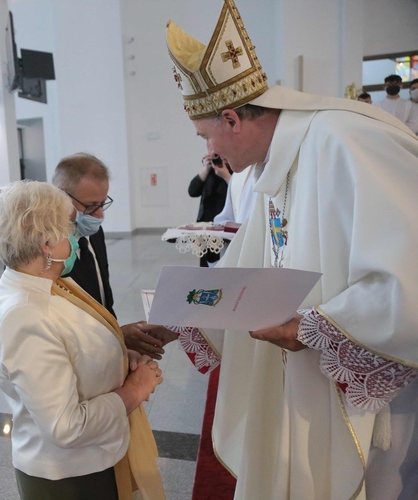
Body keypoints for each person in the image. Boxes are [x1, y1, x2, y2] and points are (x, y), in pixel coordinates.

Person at [166, 1, 418, 498]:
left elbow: (408, 276)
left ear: (233, 118)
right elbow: (253, 262)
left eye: (205, 136)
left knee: (384, 481)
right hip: (312, 372)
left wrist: (310, 326)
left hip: (381, 383)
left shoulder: (344, 141)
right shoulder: (275, 163)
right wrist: (182, 311)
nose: (209, 153)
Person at [0, 180, 165, 499]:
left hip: (95, 459)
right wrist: (134, 391)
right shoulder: (24, 315)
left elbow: (73, 347)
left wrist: (120, 359)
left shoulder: (48, 281)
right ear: (47, 243)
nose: (76, 236)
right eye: (69, 227)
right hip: (69, 479)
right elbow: (65, 427)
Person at [52, 153, 177, 359]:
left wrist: (118, 345)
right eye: (91, 206)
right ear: (59, 196)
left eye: (102, 203)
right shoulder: (42, 251)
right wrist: (116, 337)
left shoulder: (93, 233)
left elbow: (103, 297)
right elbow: (57, 324)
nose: (100, 216)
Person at [188, 153, 232, 266]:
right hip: (206, 228)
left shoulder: (233, 169)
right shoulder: (208, 172)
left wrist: (225, 175)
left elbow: (238, 193)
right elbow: (192, 191)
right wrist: (206, 169)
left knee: (224, 265)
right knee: (205, 267)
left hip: (225, 229)